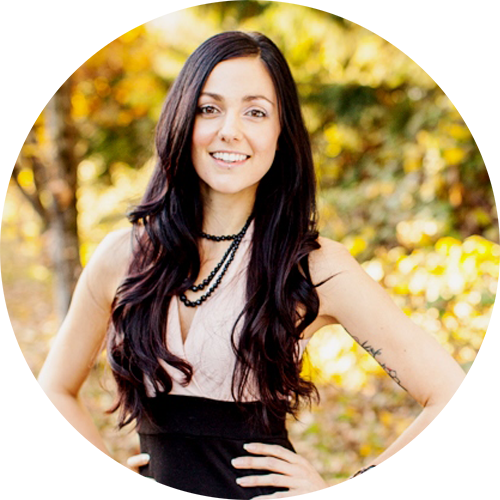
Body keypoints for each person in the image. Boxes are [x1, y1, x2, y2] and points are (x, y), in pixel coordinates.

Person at [35, 31, 486, 500]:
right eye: (209, 108)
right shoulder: (126, 257)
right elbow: (55, 390)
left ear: (280, 132)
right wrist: (110, 487)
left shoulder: (313, 267)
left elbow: (457, 405)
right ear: (182, 120)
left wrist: (342, 495)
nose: (230, 130)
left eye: (255, 112)